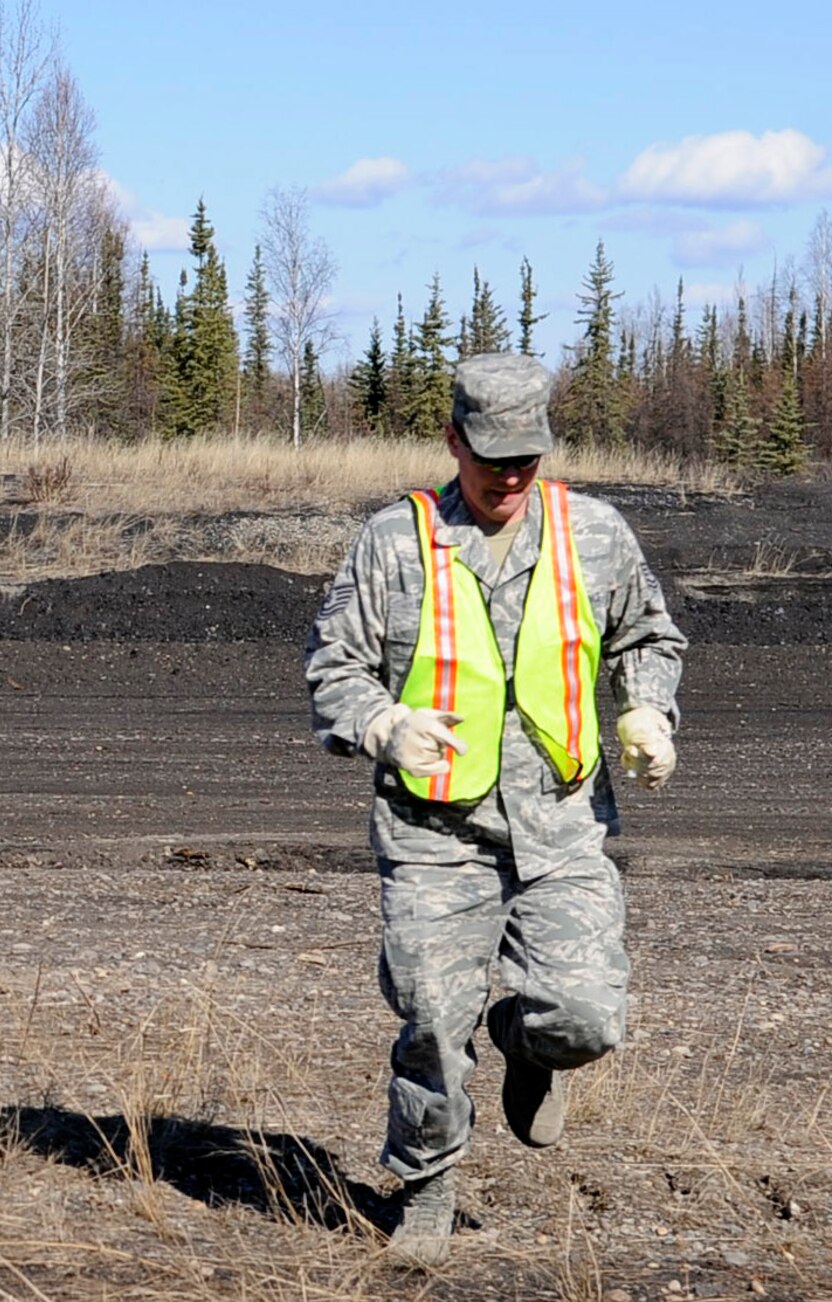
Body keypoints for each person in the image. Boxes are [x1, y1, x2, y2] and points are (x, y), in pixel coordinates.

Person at [303, 353, 686, 1266]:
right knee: (434, 1017)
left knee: (588, 1015)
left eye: (527, 459)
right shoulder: (393, 544)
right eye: (491, 460)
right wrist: (381, 723)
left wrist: (643, 705)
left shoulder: (594, 534)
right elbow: (332, 670)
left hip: (563, 825)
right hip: (434, 833)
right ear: (453, 443)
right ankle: (427, 1192)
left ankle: (530, 1047)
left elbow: (647, 635)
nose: (510, 478)